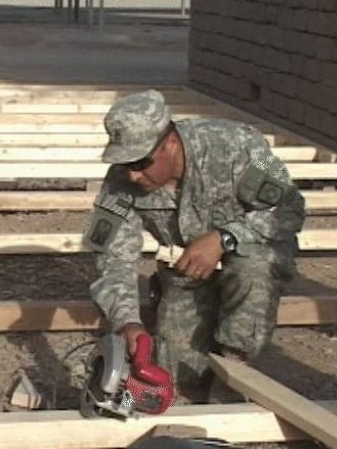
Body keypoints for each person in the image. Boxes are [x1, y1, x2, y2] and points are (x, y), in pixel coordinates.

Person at [83, 90, 305, 403]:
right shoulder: (121, 180)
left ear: (170, 143)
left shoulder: (237, 145)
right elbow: (112, 258)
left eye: (140, 161)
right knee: (181, 378)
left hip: (257, 256)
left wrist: (224, 237)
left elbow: (289, 207)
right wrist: (127, 322)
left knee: (253, 266)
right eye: (124, 163)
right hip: (187, 271)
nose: (132, 174)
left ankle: (235, 374)